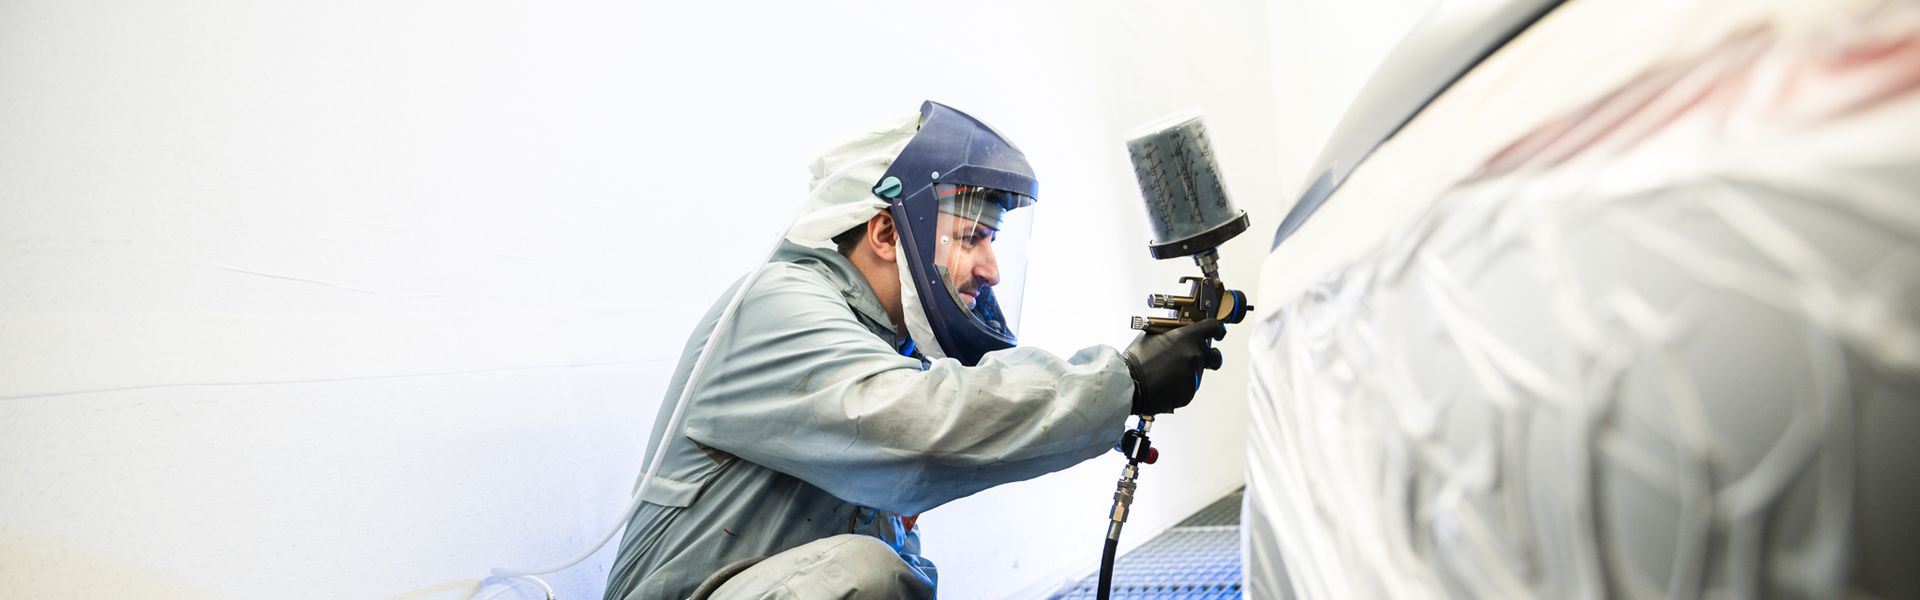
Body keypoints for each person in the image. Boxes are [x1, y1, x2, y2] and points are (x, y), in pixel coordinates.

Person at [602, 101, 1227, 600]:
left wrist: (1108, 397)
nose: (991, 269)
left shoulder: (872, 337)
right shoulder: (777, 304)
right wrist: (1122, 382)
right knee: (864, 575)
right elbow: (921, 426)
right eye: (972, 237)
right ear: (882, 232)